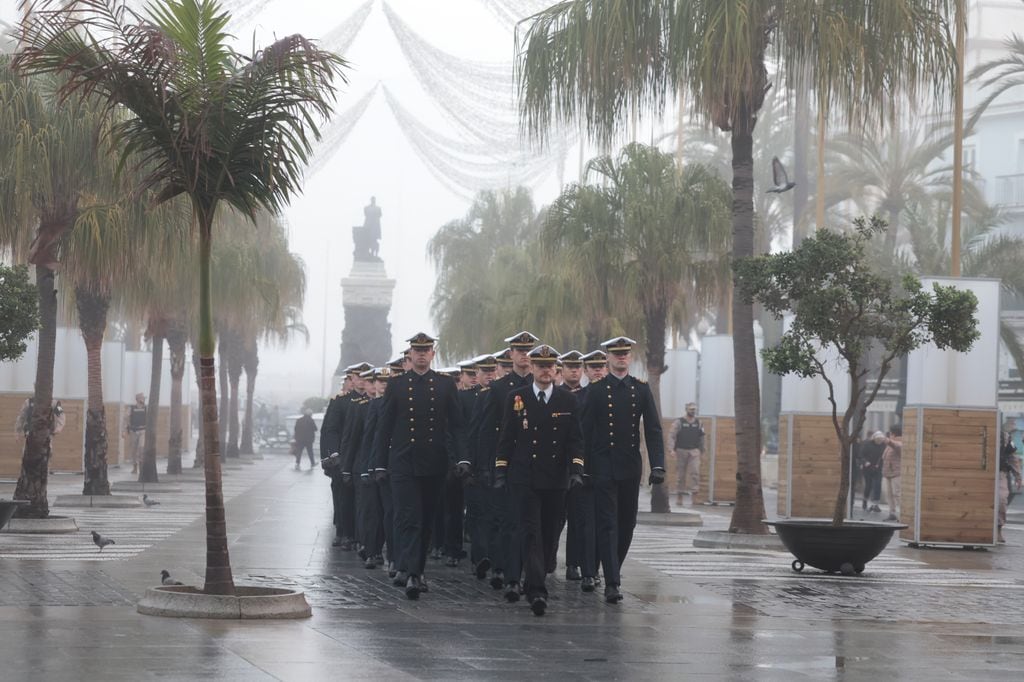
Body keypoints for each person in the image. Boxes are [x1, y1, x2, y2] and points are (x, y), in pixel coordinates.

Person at [372, 332, 464, 600]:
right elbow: (384, 429)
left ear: (433, 354)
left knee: (425, 520)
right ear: (410, 354)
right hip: (403, 462)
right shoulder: (397, 385)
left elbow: (457, 427)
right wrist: (378, 463)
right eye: (417, 350)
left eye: (426, 350)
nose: (422, 354)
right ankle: (410, 572)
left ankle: (416, 568)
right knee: (408, 517)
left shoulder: (445, 385)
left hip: (434, 462)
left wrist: (463, 457)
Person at [494, 344, 584, 616]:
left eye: (550, 366)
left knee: (549, 534)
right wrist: (501, 470)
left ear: (556, 369)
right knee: (530, 532)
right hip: (525, 478)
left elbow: (575, 441)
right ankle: (536, 591)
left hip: (556, 480)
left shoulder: (568, 401)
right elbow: (506, 438)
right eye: (540, 365)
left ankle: (537, 574)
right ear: (531, 368)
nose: (546, 371)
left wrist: (576, 470)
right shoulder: (516, 397)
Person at [581, 336, 665, 604]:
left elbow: (652, 429)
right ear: (608, 358)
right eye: (616, 354)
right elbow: (583, 431)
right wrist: (580, 465)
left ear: (630, 357)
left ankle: (609, 567)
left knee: (627, 523)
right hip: (602, 464)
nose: (620, 358)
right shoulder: (596, 391)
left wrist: (658, 464)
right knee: (607, 523)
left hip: (630, 466)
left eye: (625, 354)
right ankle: (613, 581)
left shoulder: (640, 390)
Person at [472, 331, 539, 600]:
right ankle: (504, 569)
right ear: (510, 355)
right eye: (519, 350)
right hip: (506, 465)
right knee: (505, 521)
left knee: (529, 524)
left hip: (534, 466)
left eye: (528, 350)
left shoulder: (540, 386)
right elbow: (486, 431)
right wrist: (486, 466)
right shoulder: (498, 389)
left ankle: (522, 570)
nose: (524, 354)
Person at [668, 402, 704, 506]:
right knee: (681, 474)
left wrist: (702, 450)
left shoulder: (699, 422)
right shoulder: (679, 422)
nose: (693, 411)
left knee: (695, 473)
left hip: (694, 450)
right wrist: (671, 449)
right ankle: (679, 497)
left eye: (694, 409)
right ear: (686, 409)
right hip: (681, 450)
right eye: (691, 409)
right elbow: (672, 435)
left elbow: (702, 437)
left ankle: (695, 497)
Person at [999, 428, 1022, 543]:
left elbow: (1012, 457)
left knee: (1001, 499)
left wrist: (1018, 476)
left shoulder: (1005, 436)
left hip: (1000, 473)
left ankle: (998, 529)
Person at [860, 431, 885, 513]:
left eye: (881, 440)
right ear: (874, 438)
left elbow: (883, 456)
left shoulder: (883, 445)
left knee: (877, 485)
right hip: (868, 468)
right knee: (869, 485)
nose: (879, 441)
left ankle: (876, 505)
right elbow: (861, 455)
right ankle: (865, 501)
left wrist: (880, 464)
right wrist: (865, 462)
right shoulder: (867, 444)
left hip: (878, 468)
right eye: (878, 439)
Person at [881, 425, 902, 522]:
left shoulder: (899, 442)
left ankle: (903, 514)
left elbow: (897, 446)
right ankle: (892, 513)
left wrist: (888, 441)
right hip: (888, 473)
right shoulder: (890, 444)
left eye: (890, 433)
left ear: (893, 433)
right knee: (888, 494)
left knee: (897, 494)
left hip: (896, 473)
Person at [125, 393, 147, 474]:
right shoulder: (131, 408)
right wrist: (126, 427)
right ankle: (135, 467)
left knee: (141, 448)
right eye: (142, 398)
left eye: (144, 398)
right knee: (133, 450)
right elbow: (126, 417)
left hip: (143, 431)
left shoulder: (146, 408)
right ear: (138, 399)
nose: (143, 399)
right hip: (133, 431)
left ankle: (141, 467)